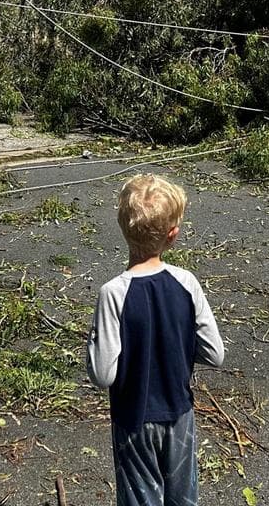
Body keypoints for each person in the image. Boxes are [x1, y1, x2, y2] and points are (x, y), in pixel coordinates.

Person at [86, 173, 226, 506]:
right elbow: (215, 353)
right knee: (183, 498)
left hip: (133, 419)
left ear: (122, 228)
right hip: (180, 414)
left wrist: (93, 343)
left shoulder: (113, 293)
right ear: (172, 235)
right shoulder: (187, 283)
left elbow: (102, 375)